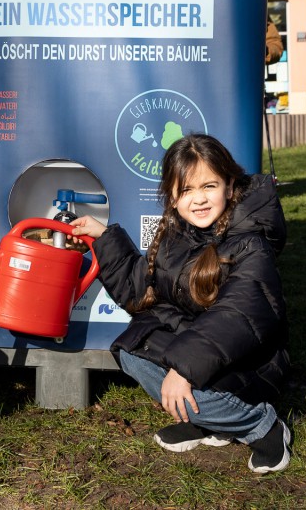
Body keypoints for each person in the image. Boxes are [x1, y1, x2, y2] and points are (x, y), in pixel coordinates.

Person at [70, 134, 291, 474]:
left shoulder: (250, 245)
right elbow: (137, 289)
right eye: (186, 190)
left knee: (182, 382)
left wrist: (183, 369)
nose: (199, 199)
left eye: (209, 186)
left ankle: (262, 426)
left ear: (230, 188)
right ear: (172, 197)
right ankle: (209, 422)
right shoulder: (177, 236)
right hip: (204, 352)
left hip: (251, 361)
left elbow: (237, 316)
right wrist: (103, 236)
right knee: (133, 351)